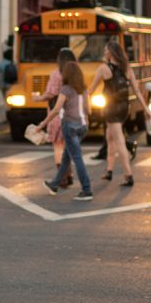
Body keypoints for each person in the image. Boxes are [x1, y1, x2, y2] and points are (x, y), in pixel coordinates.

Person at [88, 40, 150, 187]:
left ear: (110, 52)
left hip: (111, 108)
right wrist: (145, 108)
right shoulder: (127, 68)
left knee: (119, 141)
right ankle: (109, 171)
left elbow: (91, 90)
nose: (104, 52)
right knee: (110, 138)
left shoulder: (103, 68)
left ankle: (128, 175)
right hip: (124, 107)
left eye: (105, 50)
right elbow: (137, 91)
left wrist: (86, 104)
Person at [39, 60, 93, 201]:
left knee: (77, 157)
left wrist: (42, 124)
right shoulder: (84, 89)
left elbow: (56, 110)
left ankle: (87, 189)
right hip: (83, 126)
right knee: (66, 157)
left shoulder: (65, 89)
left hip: (70, 126)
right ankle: (54, 184)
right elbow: (89, 110)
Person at [32, 47, 75, 187]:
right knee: (68, 146)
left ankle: (62, 177)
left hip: (58, 114)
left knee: (58, 145)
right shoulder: (76, 74)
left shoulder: (56, 74)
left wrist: (38, 98)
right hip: (72, 113)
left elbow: (51, 94)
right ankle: (69, 174)